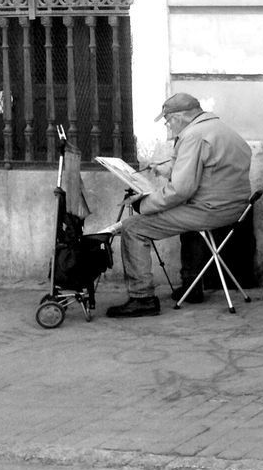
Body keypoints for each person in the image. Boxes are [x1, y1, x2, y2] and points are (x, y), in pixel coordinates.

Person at [106, 93, 253, 318]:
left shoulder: (193, 135)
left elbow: (182, 190)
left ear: (178, 117)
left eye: (167, 121)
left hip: (210, 210)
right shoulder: (222, 129)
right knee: (186, 224)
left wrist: (144, 205)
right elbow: (210, 173)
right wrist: (167, 171)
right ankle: (192, 287)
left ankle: (142, 298)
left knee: (133, 228)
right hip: (235, 208)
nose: (168, 126)